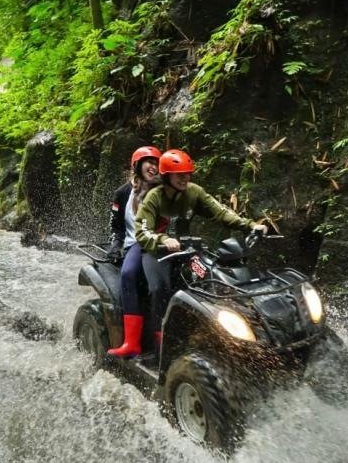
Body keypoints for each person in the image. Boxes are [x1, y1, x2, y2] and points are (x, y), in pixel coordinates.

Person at [135, 149, 268, 349]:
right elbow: (142, 230)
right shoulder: (154, 196)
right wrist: (163, 239)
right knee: (158, 287)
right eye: (179, 175)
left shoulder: (194, 192)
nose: (185, 178)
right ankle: (159, 340)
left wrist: (249, 225)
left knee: (211, 279)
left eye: (187, 174)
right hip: (157, 252)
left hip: (187, 250)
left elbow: (221, 212)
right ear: (166, 176)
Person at [106, 145, 163, 358]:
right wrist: (115, 246)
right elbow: (117, 227)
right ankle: (131, 342)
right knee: (128, 273)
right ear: (137, 165)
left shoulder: (163, 190)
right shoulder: (122, 193)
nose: (153, 167)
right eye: (149, 162)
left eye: (157, 163)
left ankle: (163, 340)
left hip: (161, 243)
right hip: (136, 244)